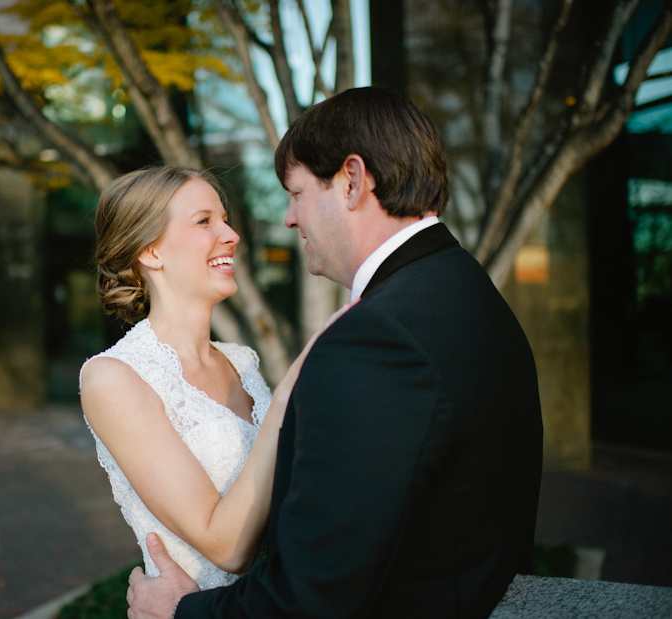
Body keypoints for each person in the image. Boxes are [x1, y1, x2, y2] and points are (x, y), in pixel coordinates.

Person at [127, 86, 544, 618]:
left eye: (296, 193)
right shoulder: (467, 292)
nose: (289, 219)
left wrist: (181, 613)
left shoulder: (379, 338)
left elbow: (311, 597)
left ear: (351, 180)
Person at [80, 166, 347, 591]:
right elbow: (227, 548)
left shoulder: (242, 363)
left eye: (225, 219)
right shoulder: (113, 378)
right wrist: (287, 398)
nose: (231, 235)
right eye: (205, 221)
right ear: (150, 251)